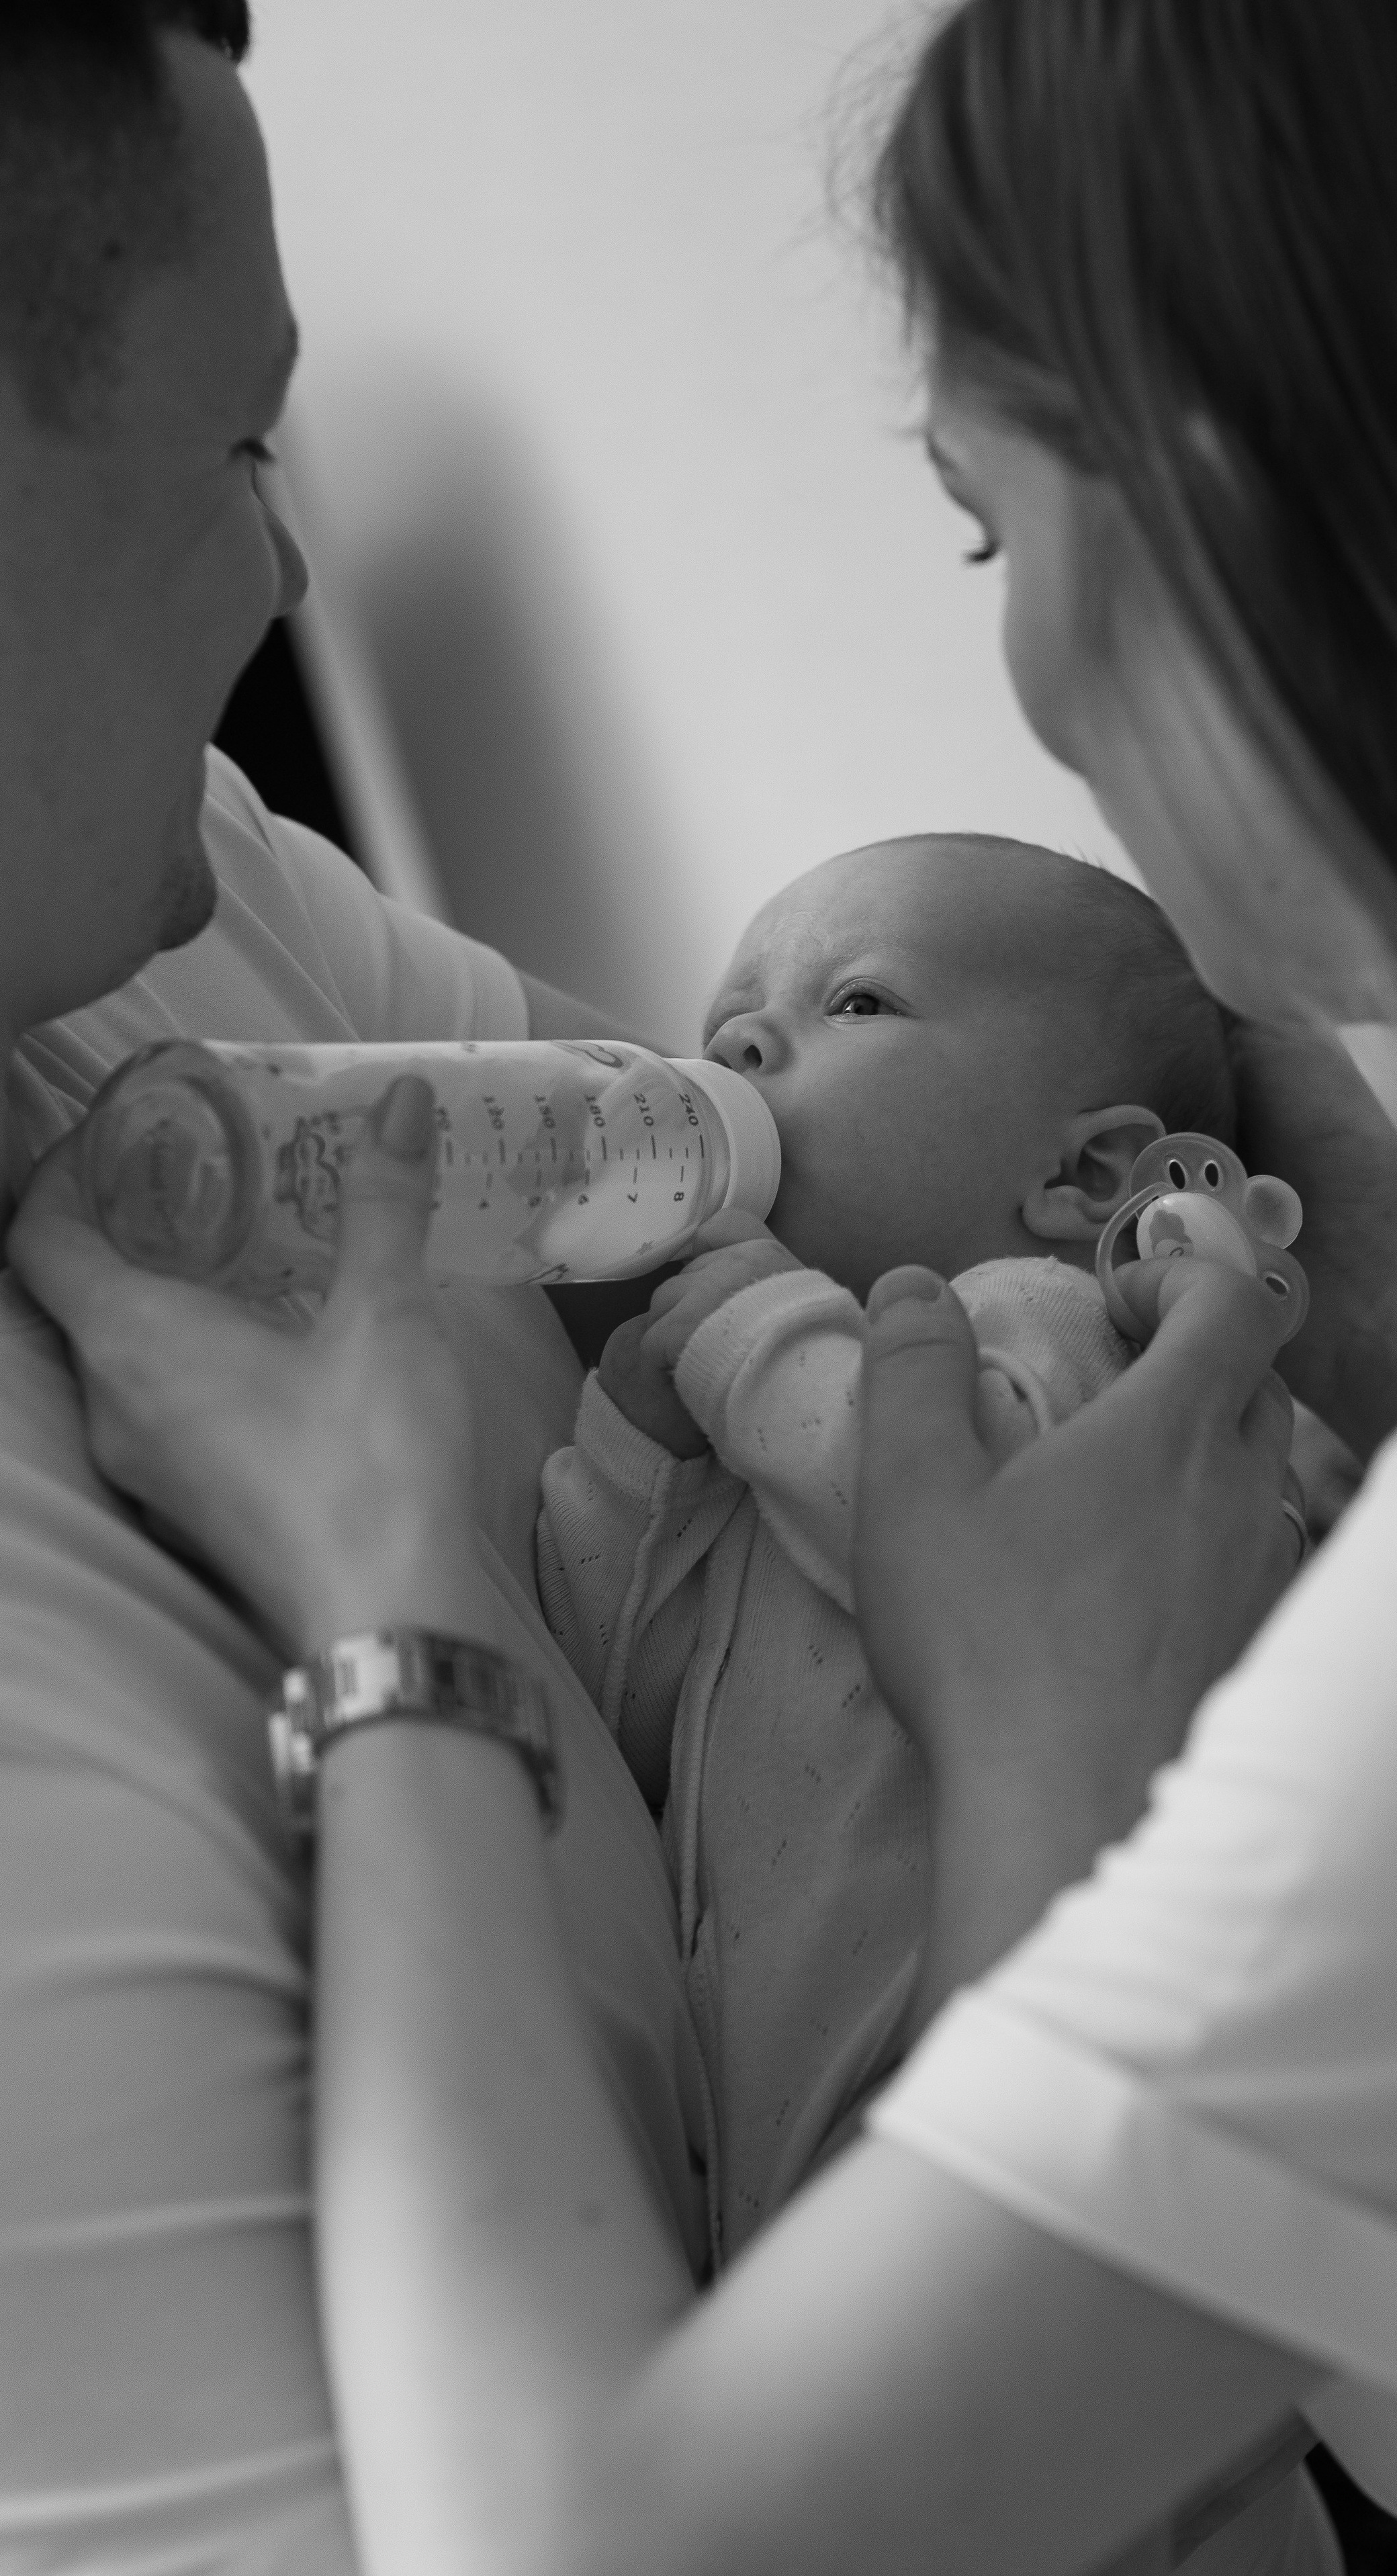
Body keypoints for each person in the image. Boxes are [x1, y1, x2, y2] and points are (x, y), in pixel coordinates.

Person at [13, 5, 1397, 2576]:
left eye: (981, 527)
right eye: (233, 449)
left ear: (1235, 530)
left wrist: (394, 1609)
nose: (1020, 678)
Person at [0, 9, 711, 2569]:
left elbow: (714, 1160)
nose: (293, 571)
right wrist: (392, 1586)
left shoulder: (153, 881)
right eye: (231, 451)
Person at [541, 832, 1257, 2260]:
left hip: (1048, 2143)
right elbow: (623, 1702)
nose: (742, 1037)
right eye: (728, 1020)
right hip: (782, 2176)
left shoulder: (1052, 1326)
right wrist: (631, 1464)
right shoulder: (779, 1424)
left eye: (853, 1001)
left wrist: (751, 1334)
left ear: (1084, 1170)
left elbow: (969, 1522)